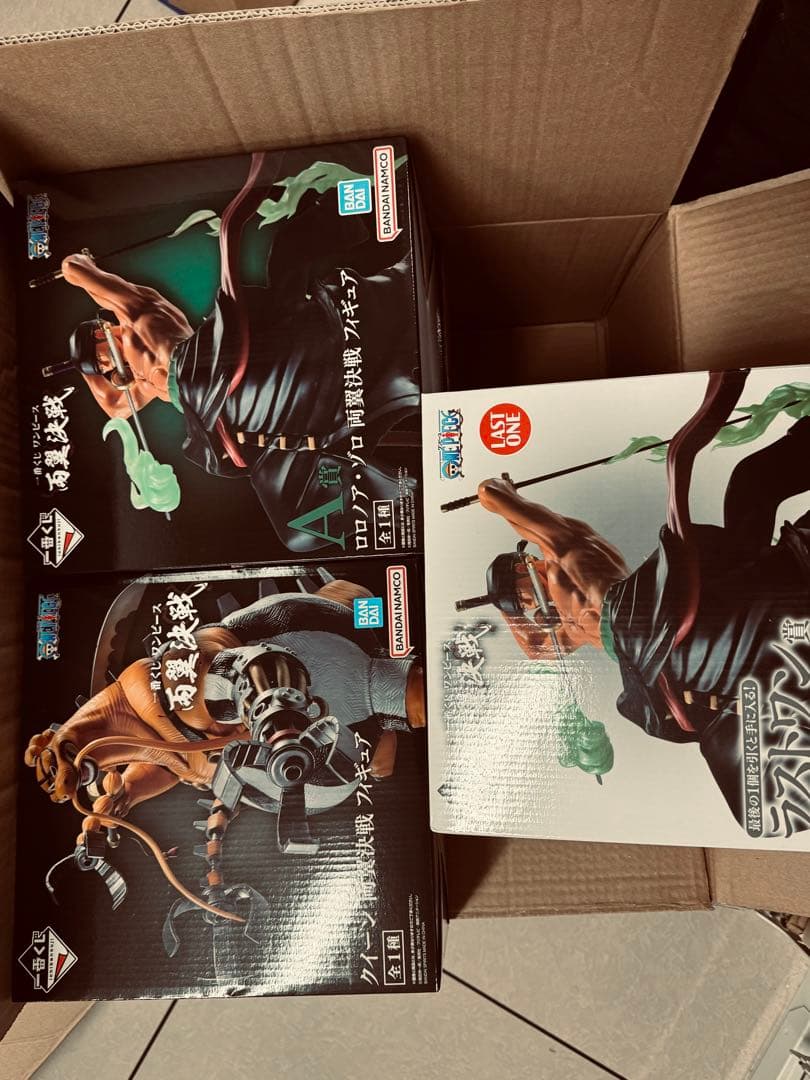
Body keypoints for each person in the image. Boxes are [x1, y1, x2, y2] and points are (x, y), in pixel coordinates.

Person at [478, 369, 810, 837]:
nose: (529, 603)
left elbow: (489, 495)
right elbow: (536, 649)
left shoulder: (567, 553)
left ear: (522, 566)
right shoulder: (569, 622)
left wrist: (506, 491)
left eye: (521, 593)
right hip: (650, 660)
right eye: (522, 602)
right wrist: (508, 611)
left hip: (647, 622)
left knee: (750, 485)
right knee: (749, 488)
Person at [61, 151, 420, 553]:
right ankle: (403, 497)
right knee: (297, 530)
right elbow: (114, 408)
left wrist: (83, 262)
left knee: (298, 265)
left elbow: (75, 270)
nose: (107, 360)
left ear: (102, 326)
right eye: (102, 364)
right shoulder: (137, 382)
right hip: (223, 417)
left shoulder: (139, 312)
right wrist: (90, 368)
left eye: (99, 349)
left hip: (214, 369)